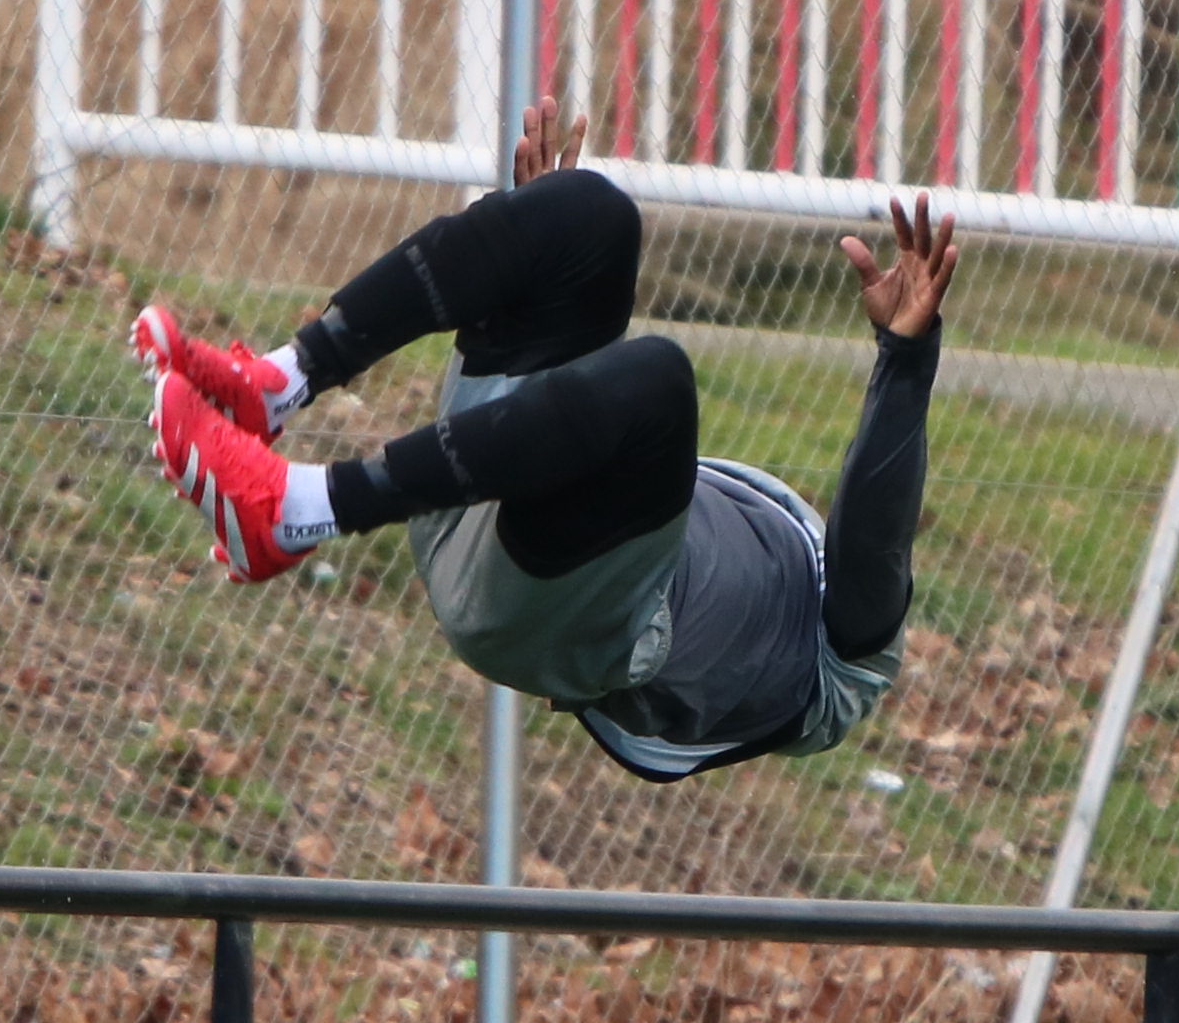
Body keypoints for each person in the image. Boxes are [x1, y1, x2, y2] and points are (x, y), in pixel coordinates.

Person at [133, 102, 954, 781]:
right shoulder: (754, 530)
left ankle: (298, 510)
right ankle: (279, 385)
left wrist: (907, 359)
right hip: (492, 505)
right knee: (586, 215)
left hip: (578, 623)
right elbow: (584, 438)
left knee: (658, 385)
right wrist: (525, 244)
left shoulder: (843, 662)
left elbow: (876, 538)